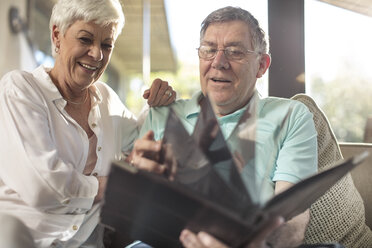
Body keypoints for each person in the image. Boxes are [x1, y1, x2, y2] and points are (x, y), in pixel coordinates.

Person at [130, 6, 318, 248]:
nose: (218, 62)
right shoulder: (163, 114)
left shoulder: (291, 116)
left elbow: (292, 221)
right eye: (209, 50)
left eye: (235, 52)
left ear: (262, 65)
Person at [0, 0, 176, 247]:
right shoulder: (20, 89)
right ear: (57, 35)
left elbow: (144, 140)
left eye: (107, 44)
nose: (97, 54)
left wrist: (160, 104)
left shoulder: (106, 98)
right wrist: (118, 180)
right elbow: (44, 187)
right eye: (85, 39)